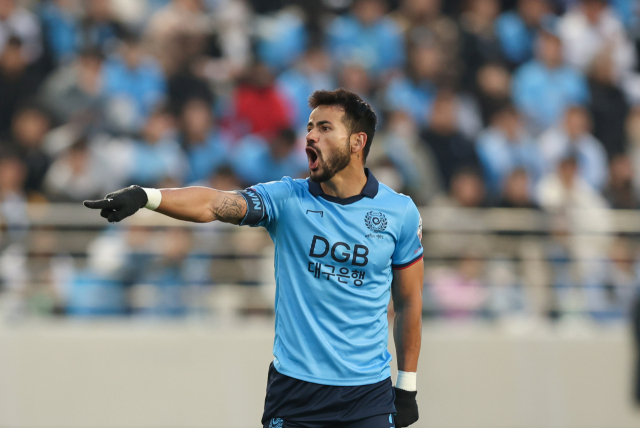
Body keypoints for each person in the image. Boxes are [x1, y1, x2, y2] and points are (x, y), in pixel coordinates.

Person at [84, 89, 424, 428]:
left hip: (368, 398)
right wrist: (146, 196)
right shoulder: (288, 199)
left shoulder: (399, 212)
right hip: (296, 394)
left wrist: (406, 388)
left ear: (356, 142)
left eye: (324, 128)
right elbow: (213, 203)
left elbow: (408, 300)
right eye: (309, 127)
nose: (310, 136)